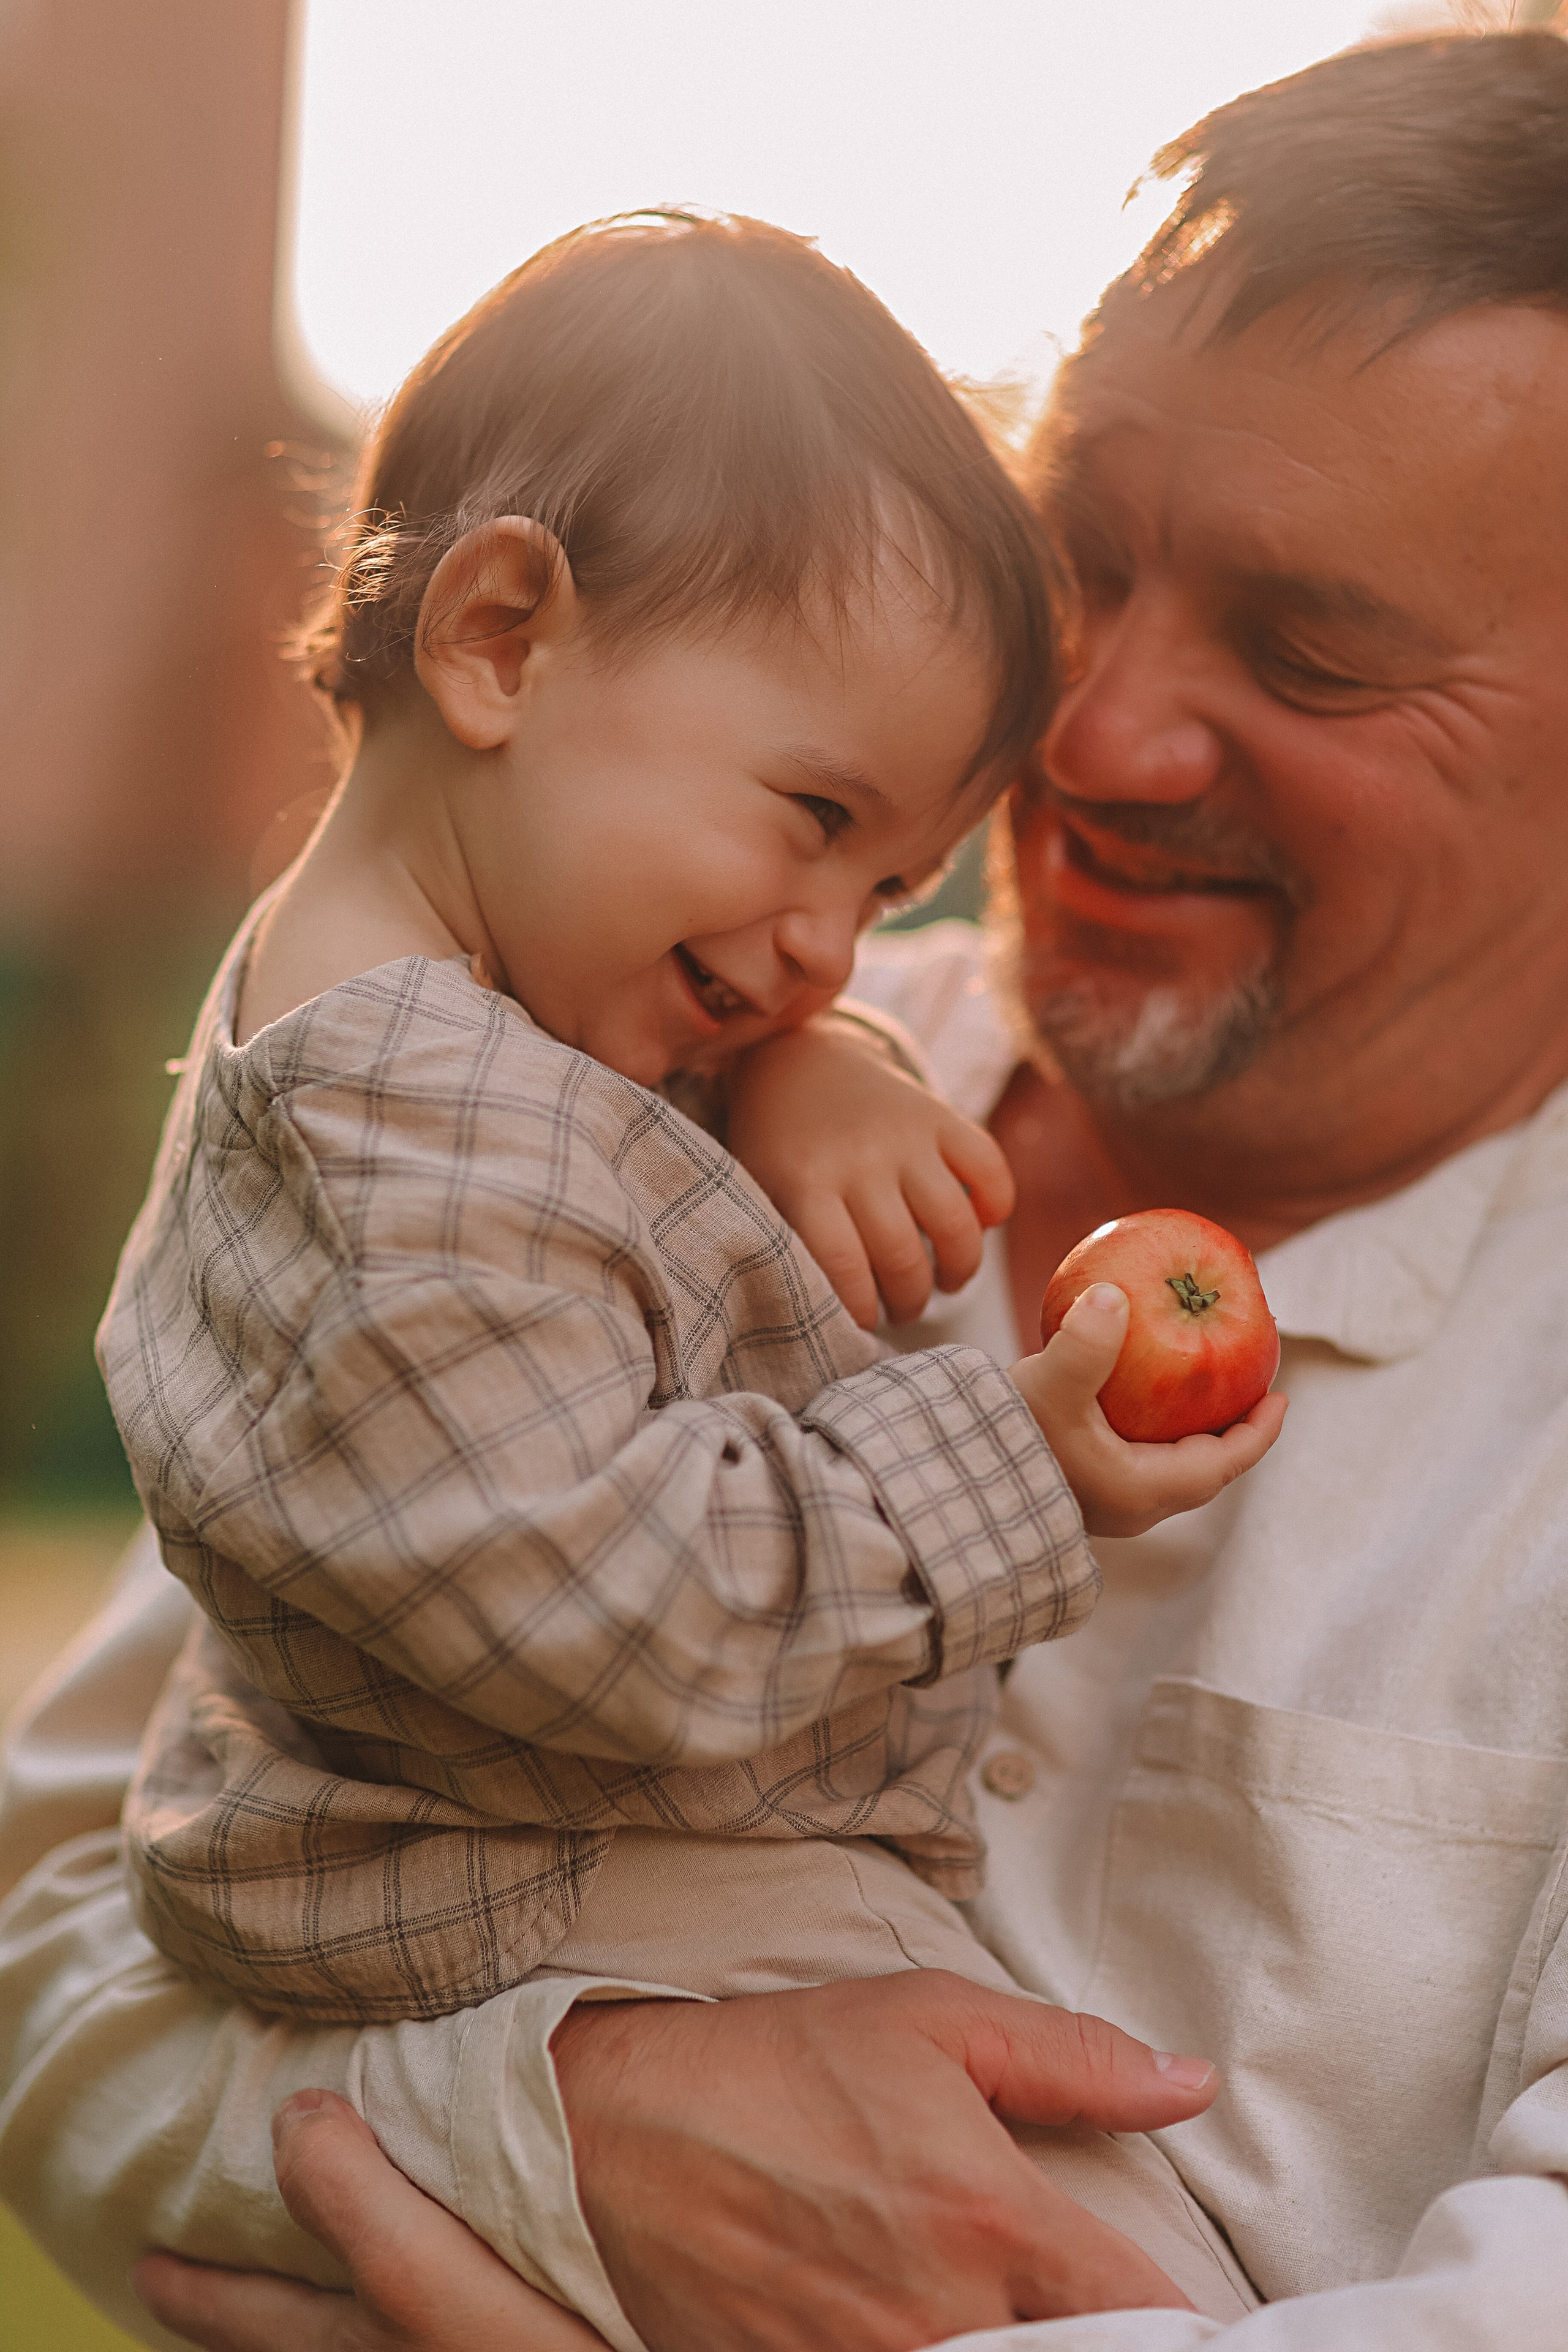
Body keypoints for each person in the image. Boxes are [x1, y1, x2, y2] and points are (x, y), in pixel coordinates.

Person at [8, 21, 1568, 2351]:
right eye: (1084, 566)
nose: (1100, 733)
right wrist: (548, 2138)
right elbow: (64, 1898)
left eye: (1312, 651)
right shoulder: (595, 1077)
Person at [91, 200, 1276, 2329]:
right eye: (814, 818)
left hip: (483, 1854)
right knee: (1115, 2271)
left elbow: (604, 1146)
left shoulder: (443, 1005)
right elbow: (610, 1602)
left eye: (899, 876)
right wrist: (1016, 1464)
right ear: (504, 640)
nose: (840, 932)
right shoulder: (409, 1149)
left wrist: (802, 1050)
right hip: (539, 1881)